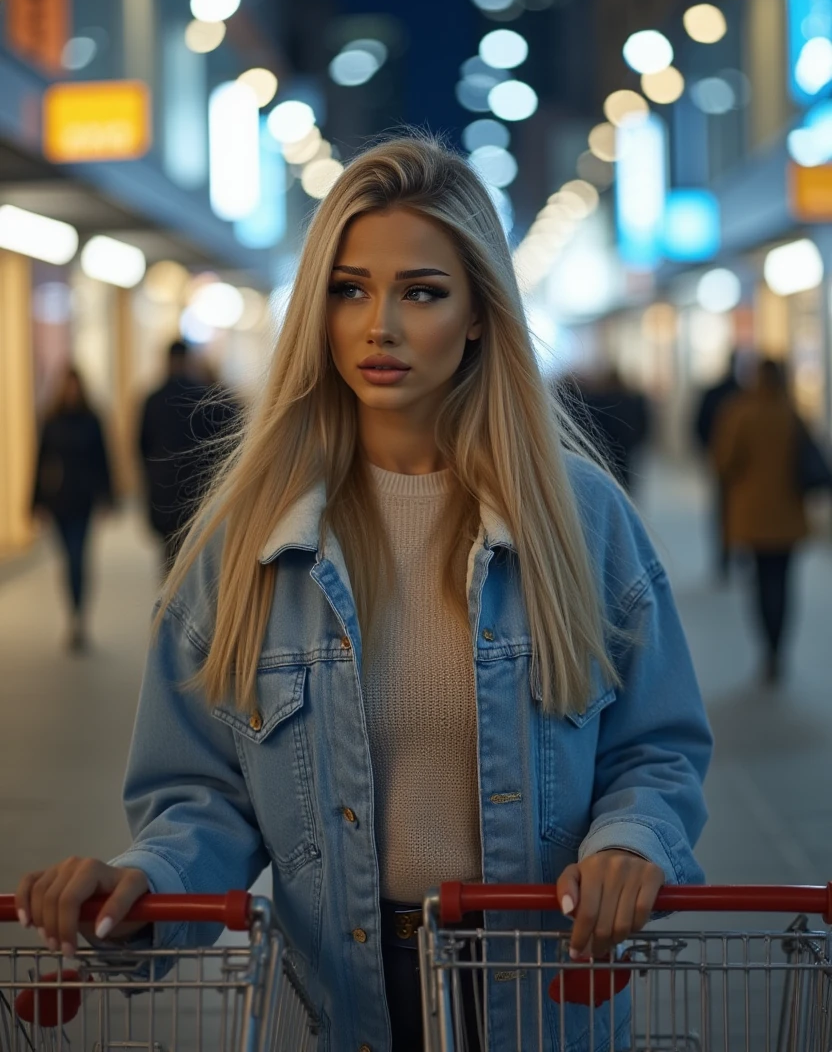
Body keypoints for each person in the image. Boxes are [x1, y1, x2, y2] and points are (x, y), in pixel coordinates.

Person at [18, 137, 712, 1052]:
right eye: (349, 289)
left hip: (542, 997)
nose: (379, 324)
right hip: (338, 1004)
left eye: (421, 292)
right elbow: (200, 796)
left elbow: (657, 748)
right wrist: (140, 885)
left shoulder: (578, 520)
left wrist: (631, 842)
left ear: (477, 316)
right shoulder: (249, 539)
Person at [712, 358, 807, 685]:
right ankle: (779, 647)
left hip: (754, 515)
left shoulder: (742, 413)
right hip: (788, 515)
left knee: (762, 582)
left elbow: (724, 461)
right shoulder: (791, 414)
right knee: (783, 582)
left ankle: (767, 651)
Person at [138, 339, 238, 573]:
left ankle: (169, 597)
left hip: (163, 489)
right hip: (196, 489)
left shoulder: (152, 400)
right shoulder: (202, 396)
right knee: (193, 554)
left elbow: (141, 447)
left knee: (169, 553)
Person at [31, 365, 113, 649]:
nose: (71, 391)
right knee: (68, 560)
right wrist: (35, 502)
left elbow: (104, 460)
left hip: (84, 500)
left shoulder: (92, 420)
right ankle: (73, 612)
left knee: (79, 558)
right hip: (59, 501)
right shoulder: (51, 422)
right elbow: (39, 463)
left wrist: (107, 496)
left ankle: (79, 618)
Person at [693, 352, 740, 580]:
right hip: (739, 469)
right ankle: (734, 555)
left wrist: (710, 452)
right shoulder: (742, 396)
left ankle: (725, 558)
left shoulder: (716, 394)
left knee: (723, 510)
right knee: (735, 510)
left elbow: (698, 426)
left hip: (721, 463)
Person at [575, 367, 650, 493]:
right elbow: (642, 423)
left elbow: (594, 425)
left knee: (610, 477)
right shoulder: (630, 400)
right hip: (626, 447)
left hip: (608, 446)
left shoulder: (600, 401)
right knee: (626, 477)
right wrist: (637, 441)